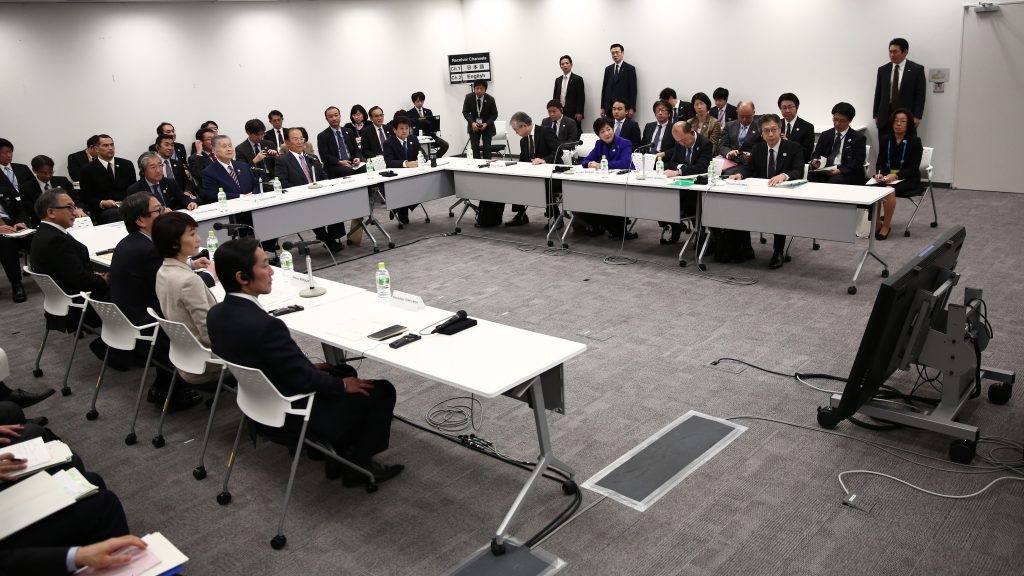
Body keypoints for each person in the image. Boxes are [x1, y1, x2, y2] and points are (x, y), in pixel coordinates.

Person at [208, 238, 404, 487]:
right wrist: (343, 386)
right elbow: (303, 380)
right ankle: (357, 465)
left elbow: (267, 362)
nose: (271, 272)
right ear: (242, 277)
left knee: (341, 369)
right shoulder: (267, 326)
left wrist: (314, 370)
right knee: (381, 390)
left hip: (258, 402)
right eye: (266, 265)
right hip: (293, 410)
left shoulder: (216, 314)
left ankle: (334, 453)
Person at [109, 192, 204, 410]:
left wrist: (189, 264)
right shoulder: (147, 249)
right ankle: (173, 390)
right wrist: (208, 275)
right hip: (147, 324)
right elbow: (172, 285)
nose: (165, 213)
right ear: (141, 220)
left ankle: (163, 387)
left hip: (131, 317)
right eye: (158, 210)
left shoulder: (131, 242)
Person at [153, 212, 222, 384]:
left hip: (186, 357)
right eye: (192, 234)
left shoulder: (163, 271)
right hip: (208, 362)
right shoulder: (189, 281)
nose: (198, 239)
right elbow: (209, 335)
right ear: (174, 242)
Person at [729, 114, 806, 268]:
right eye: (766, 131)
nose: (770, 134)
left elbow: (798, 170)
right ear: (761, 133)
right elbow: (748, 168)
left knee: (778, 213)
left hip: (782, 194)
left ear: (780, 130)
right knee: (738, 206)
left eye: (773, 130)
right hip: (761, 192)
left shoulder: (793, 147)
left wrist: (784, 176)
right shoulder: (758, 148)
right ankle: (746, 249)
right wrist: (739, 174)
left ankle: (778, 251)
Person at [276, 127, 347, 252]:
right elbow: (283, 182)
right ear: (287, 143)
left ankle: (331, 237)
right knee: (314, 209)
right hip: (300, 199)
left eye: (301, 138)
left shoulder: (312, 157)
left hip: (319, 194)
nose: (299, 142)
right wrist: (303, 191)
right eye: (295, 139)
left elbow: (324, 176)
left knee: (335, 204)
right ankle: (327, 239)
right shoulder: (282, 160)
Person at [578, 118, 635, 238]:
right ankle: (602, 225)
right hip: (606, 181)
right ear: (598, 135)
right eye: (602, 132)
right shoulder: (599, 144)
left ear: (613, 129)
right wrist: (589, 164)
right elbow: (586, 160)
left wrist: (603, 165)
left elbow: (625, 163)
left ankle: (618, 229)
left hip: (624, 182)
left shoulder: (625, 143)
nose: (607, 133)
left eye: (608, 129)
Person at [873, 108, 923, 240]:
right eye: (896, 121)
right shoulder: (885, 139)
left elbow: (913, 168)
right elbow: (880, 162)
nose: (898, 124)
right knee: (872, 187)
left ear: (908, 124)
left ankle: (886, 226)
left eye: (902, 121)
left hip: (908, 179)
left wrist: (896, 175)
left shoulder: (915, 141)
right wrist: (879, 174)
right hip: (887, 177)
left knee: (888, 190)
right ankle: (877, 224)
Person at [661, 121, 714, 243]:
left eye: (683, 140)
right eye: (678, 141)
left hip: (696, 186)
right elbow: (672, 163)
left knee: (689, 203)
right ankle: (676, 225)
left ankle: (702, 236)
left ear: (691, 132)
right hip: (679, 184)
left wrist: (679, 171)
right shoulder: (680, 142)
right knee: (662, 199)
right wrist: (683, 168)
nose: (681, 144)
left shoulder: (705, 144)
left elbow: (701, 167)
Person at [504, 111, 560, 227]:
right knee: (515, 180)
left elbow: (558, 151)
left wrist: (544, 160)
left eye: (516, 129)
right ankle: (521, 215)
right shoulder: (523, 141)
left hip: (551, 172)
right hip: (533, 173)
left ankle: (557, 216)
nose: (516, 133)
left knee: (544, 184)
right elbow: (523, 160)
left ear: (524, 125)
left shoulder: (545, 131)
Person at [873, 37, 927, 144]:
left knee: (906, 147)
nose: (892, 55)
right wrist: (876, 114)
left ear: (905, 52)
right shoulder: (883, 70)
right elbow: (878, 92)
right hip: (885, 117)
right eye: (890, 51)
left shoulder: (917, 69)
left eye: (895, 52)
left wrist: (917, 116)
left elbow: (920, 94)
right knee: (885, 146)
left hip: (906, 117)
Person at [78, 134, 136, 224]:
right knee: (115, 214)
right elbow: (86, 196)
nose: (110, 148)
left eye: (112, 145)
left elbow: (133, 189)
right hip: (103, 211)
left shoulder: (126, 164)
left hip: (127, 206)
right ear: (96, 149)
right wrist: (102, 203)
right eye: (105, 145)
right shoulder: (87, 170)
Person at [0, 140, 31, 303]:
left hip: (19, 219)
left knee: (38, 233)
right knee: (5, 243)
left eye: (10, 152)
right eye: (4, 152)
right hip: (2, 224)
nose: (8, 155)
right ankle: (16, 283)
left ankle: (52, 274)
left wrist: (21, 221)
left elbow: (25, 203)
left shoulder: (21, 169)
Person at [809, 102, 867, 185]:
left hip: (846, 172)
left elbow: (858, 162)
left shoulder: (858, 138)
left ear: (850, 120)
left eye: (842, 121)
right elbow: (816, 154)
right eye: (835, 119)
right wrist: (816, 161)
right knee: (810, 176)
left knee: (835, 180)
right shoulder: (825, 135)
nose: (837, 123)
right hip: (826, 169)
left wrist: (840, 170)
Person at [381, 117, 422, 225]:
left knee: (424, 187)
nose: (404, 131)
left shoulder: (413, 139)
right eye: (401, 128)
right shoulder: (388, 143)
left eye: (407, 128)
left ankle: (397, 207)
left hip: (413, 174)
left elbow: (423, 154)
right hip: (397, 176)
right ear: (395, 130)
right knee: (406, 188)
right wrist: (406, 164)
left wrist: (422, 159)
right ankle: (400, 209)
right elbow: (389, 162)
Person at [126, 151, 196, 211]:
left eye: (160, 165)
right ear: (143, 171)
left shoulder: (170, 183)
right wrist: (160, 211)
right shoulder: (135, 190)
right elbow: (138, 213)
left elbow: (182, 198)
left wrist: (189, 203)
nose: (158, 170)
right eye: (153, 167)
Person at [22, 156, 80, 227]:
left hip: (68, 218)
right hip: (42, 223)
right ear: (34, 171)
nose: (48, 175)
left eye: (51, 172)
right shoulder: (26, 188)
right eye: (44, 173)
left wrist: (78, 209)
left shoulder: (62, 181)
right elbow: (30, 211)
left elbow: (76, 199)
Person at [317, 106, 363, 179]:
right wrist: (340, 162)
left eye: (336, 115)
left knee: (365, 168)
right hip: (335, 165)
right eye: (331, 116)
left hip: (351, 162)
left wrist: (357, 157)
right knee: (347, 171)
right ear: (327, 119)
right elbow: (324, 156)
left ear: (340, 116)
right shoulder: (322, 136)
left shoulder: (349, 131)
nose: (334, 118)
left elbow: (356, 149)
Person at [719, 101, 761, 175]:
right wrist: (729, 153)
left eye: (748, 116)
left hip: (750, 164)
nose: (744, 119)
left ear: (753, 113)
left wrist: (752, 154)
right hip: (731, 162)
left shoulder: (760, 127)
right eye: (741, 116)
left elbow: (763, 147)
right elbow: (722, 145)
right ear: (737, 112)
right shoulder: (729, 126)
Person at [461, 80, 498, 159]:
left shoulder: (491, 99)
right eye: (477, 88)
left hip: (487, 126)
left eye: (481, 88)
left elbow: (495, 114)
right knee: (475, 148)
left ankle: (487, 167)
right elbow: (465, 112)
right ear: (474, 89)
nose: (479, 91)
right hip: (474, 126)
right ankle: (476, 167)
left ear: (485, 89)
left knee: (487, 148)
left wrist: (487, 124)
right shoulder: (469, 97)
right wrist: (472, 123)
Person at [600, 44, 637, 118]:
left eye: (617, 52)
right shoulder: (608, 69)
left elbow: (633, 90)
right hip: (609, 107)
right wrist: (602, 107)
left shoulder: (630, 69)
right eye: (613, 53)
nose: (615, 55)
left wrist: (632, 108)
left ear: (622, 53)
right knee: (610, 128)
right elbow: (604, 89)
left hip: (623, 107)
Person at [408, 92, 450, 157]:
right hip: (417, 137)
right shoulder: (409, 113)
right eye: (418, 101)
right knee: (420, 150)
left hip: (430, 135)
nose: (420, 103)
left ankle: (434, 158)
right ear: (414, 102)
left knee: (445, 145)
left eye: (422, 101)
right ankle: (426, 158)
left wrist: (434, 129)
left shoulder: (428, 111)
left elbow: (432, 124)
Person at [778, 93, 814, 161]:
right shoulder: (776, 125)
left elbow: (806, 154)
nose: (787, 110)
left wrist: (788, 144)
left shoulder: (807, 127)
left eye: (790, 107)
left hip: (796, 165)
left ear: (797, 107)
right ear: (780, 109)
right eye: (784, 108)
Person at [553, 55, 585, 131]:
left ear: (571, 64)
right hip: (560, 111)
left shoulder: (578, 79)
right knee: (561, 131)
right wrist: (554, 110)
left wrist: (579, 112)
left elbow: (581, 97)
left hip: (573, 112)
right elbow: (555, 96)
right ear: (560, 66)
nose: (565, 65)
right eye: (562, 64)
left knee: (575, 131)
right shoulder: (558, 80)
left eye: (567, 63)